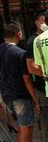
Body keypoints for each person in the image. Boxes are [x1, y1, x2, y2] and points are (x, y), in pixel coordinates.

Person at [0, 23, 38, 142]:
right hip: (21, 95)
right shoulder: (20, 53)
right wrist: (35, 99)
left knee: (21, 128)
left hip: (7, 95)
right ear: (19, 34)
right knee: (27, 128)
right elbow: (27, 79)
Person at [26, 10, 48, 141]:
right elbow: (31, 67)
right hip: (41, 89)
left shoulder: (38, 40)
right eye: (42, 21)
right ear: (37, 23)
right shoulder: (33, 41)